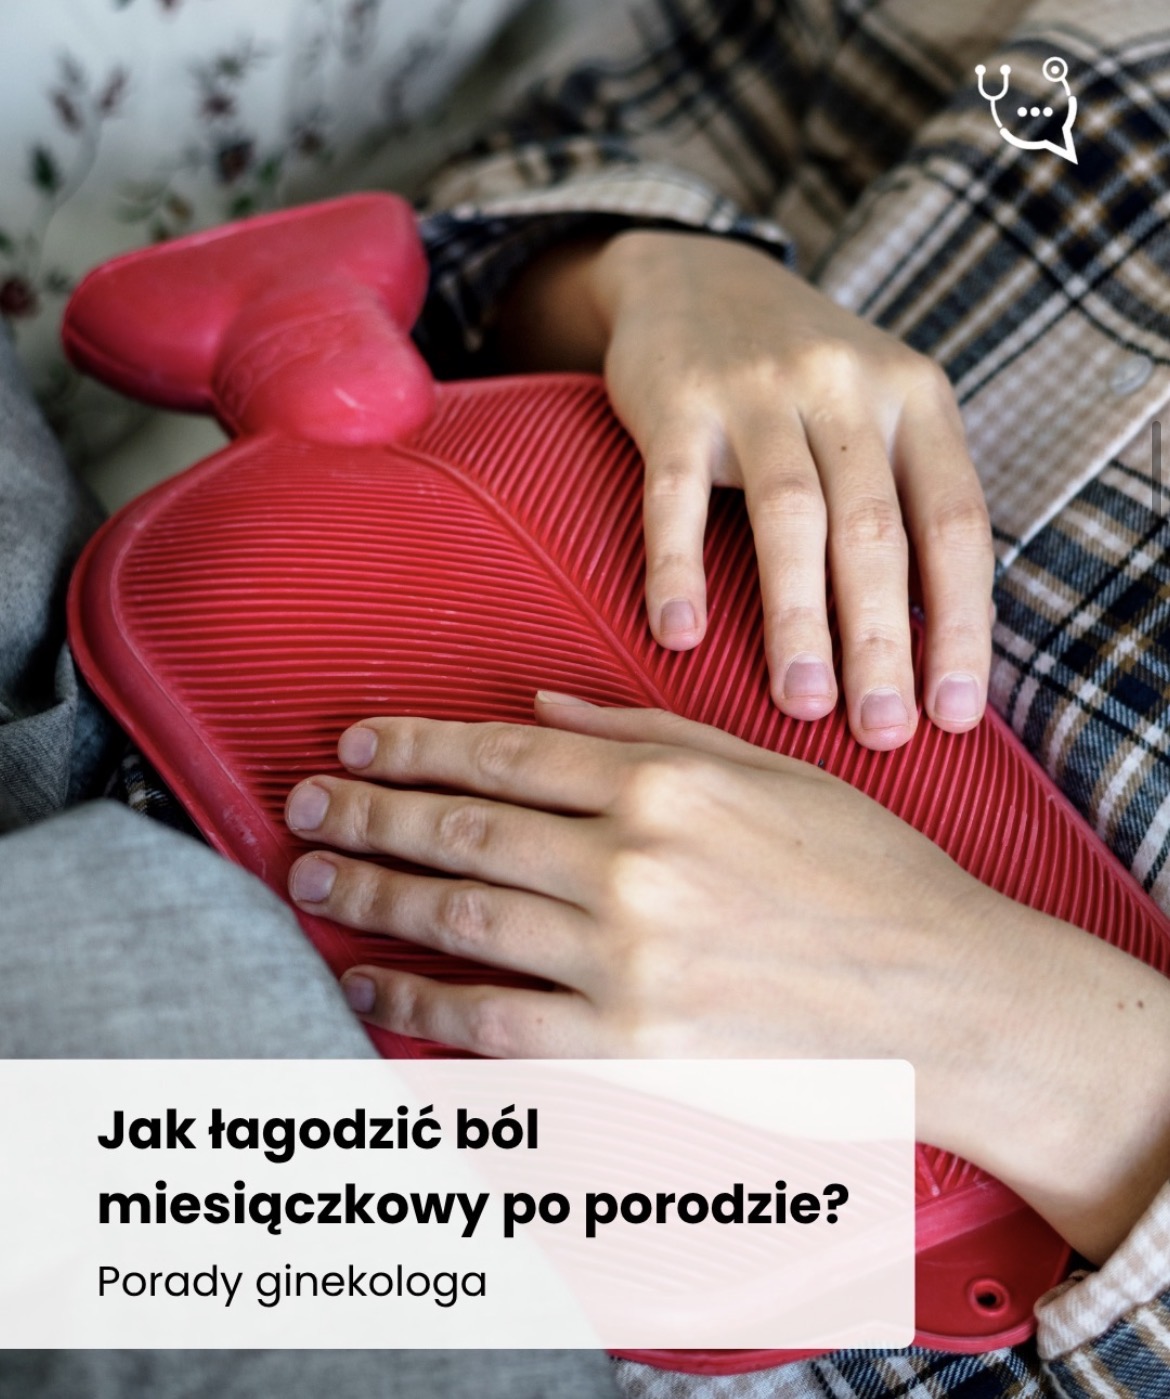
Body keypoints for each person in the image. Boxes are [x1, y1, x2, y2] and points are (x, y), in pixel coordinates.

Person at [3, 3, 1169, 1399]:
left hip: (601, 1301)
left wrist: (998, 1025)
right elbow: (599, 149)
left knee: (79, 959)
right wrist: (656, 271)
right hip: (203, 669)